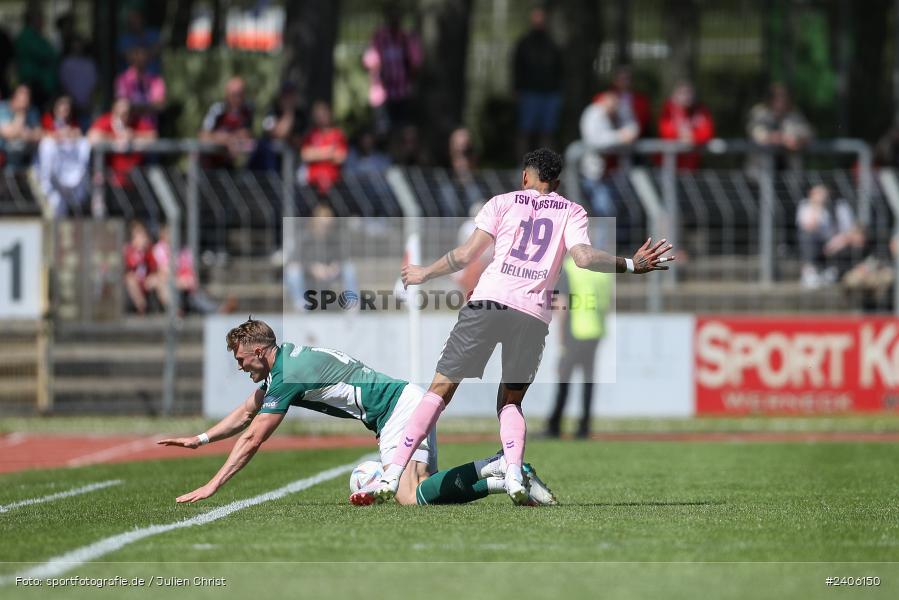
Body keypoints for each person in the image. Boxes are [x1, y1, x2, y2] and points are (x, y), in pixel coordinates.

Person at [358, 148, 674, 505]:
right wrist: (631, 264)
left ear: (525, 176)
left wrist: (424, 273)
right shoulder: (572, 210)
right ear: (557, 182)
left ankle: (392, 473)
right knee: (511, 402)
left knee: (440, 390)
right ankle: (512, 473)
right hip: (531, 314)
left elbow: (465, 256)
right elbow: (584, 258)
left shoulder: (502, 202)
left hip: (488, 302)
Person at [158, 318, 557, 507]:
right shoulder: (289, 362)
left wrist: (213, 484)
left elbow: (253, 437)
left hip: (396, 410)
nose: (241, 367)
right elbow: (249, 411)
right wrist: (202, 439)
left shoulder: (287, 375)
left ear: (260, 352)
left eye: (243, 360)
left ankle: (500, 471)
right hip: (404, 400)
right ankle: (503, 473)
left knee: (409, 498)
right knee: (424, 489)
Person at [545, 256, 614, 439]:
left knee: (564, 378)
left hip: (575, 331)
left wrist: (560, 342)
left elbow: (562, 305)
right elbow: (607, 302)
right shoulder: (603, 270)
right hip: (596, 330)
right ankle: (584, 426)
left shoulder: (569, 267)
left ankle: (554, 426)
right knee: (588, 379)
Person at [578, 91, 638, 247]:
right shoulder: (593, 114)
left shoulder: (622, 111)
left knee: (616, 211)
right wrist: (620, 137)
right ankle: (600, 251)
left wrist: (624, 135)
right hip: (595, 174)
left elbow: (633, 128)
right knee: (604, 211)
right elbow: (596, 140)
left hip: (616, 173)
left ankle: (607, 250)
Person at [512, 6, 563, 158]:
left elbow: (560, 69)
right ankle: (521, 166)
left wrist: (559, 90)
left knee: (547, 132)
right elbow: (516, 67)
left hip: (550, 94)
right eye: (536, 18)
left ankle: (545, 166)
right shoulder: (524, 43)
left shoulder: (552, 44)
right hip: (529, 93)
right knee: (525, 130)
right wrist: (517, 89)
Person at [363, 4, 422, 135]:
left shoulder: (406, 39)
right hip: (382, 95)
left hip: (403, 94)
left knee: (403, 131)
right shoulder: (379, 38)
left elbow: (416, 63)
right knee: (383, 132)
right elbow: (369, 62)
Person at [796, 184, 864, 289]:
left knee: (856, 243)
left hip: (838, 242)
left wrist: (838, 241)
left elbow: (850, 230)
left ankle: (833, 272)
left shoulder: (840, 206)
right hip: (817, 243)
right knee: (807, 237)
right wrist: (817, 207)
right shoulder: (805, 206)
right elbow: (809, 227)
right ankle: (810, 271)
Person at [37, 95, 90, 216]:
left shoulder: (74, 123)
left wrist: (73, 133)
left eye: (67, 109)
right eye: (61, 108)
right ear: (55, 108)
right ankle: (47, 184)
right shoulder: (47, 119)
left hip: (68, 165)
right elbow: (41, 134)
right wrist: (57, 135)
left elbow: (81, 136)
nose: (64, 111)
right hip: (52, 167)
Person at [88, 96, 158, 186]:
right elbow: (92, 136)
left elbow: (153, 136)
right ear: (114, 111)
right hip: (110, 179)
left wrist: (133, 135)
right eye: (120, 113)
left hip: (134, 179)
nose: (124, 117)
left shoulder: (137, 122)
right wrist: (117, 137)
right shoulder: (106, 120)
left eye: (127, 113)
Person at [746, 83, 813, 174]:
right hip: (760, 175)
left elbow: (808, 133)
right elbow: (757, 134)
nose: (782, 100)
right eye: (778, 97)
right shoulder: (759, 113)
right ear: (770, 99)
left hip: (790, 176)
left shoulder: (795, 114)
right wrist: (784, 140)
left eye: (784, 97)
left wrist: (798, 141)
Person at [248, 81, 307, 172]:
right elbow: (277, 133)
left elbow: (299, 140)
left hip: (292, 162)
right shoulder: (271, 111)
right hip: (267, 162)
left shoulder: (301, 115)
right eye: (285, 95)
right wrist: (288, 113)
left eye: (291, 95)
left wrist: (289, 112)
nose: (288, 99)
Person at [657, 81, 714, 170]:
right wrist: (681, 135)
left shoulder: (701, 111)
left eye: (689, 93)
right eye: (682, 93)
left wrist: (693, 138)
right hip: (669, 165)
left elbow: (707, 133)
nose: (686, 97)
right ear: (674, 95)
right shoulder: (668, 111)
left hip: (693, 165)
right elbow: (665, 131)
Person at [199, 77, 255, 168]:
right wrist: (224, 139)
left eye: (240, 94)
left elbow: (246, 134)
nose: (237, 98)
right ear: (227, 94)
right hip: (209, 165)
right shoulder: (217, 110)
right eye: (234, 94)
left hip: (230, 166)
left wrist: (234, 138)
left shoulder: (247, 112)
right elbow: (203, 135)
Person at [14, 5, 58, 108]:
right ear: (33, 20)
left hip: (38, 83)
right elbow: (48, 54)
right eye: (41, 18)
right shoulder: (28, 37)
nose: (44, 22)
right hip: (35, 82)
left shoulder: (35, 36)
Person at [299, 101, 347, 196]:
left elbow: (340, 157)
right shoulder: (310, 135)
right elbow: (305, 155)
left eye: (324, 114)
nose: (321, 117)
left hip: (334, 184)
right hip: (313, 184)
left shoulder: (338, 134)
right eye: (318, 114)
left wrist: (316, 153)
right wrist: (329, 152)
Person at [114, 46, 166, 125]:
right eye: (137, 58)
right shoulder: (123, 79)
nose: (141, 60)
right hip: (128, 125)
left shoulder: (156, 80)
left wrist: (134, 108)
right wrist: (148, 108)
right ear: (131, 60)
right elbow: (122, 105)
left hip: (149, 126)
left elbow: (160, 105)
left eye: (143, 58)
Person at [58, 36, 98, 131]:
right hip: (71, 106)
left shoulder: (90, 64)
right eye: (75, 45)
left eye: (79, 45)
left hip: (87, 106)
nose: (77, 47)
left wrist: (90, 101)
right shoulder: (66, 63)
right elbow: (64, 84)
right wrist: (71, 102)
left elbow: (95, 85)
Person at [0, 84, 43, 169]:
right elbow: (8, 134)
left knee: (45, 144)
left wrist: (26, 134)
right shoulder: (2, 108)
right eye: (22, 94)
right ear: (13, 96)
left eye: (27, 94)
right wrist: (21, 113)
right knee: (16, 144)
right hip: (5, 151)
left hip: (26, 147)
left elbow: (39, 134)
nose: (25, 97)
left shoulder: (32, 110)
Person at [122, 220, 158, 314]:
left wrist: (152, 277)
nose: (142, 238)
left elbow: (154, 269)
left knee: (158, 280)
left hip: (145, 281)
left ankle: (173, 310)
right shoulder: (128, 251)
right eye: (139, 236)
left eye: (143, 235)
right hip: (132, 282)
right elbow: (126, 270)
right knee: (130, 280)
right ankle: (142, 308)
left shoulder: (149, 251)